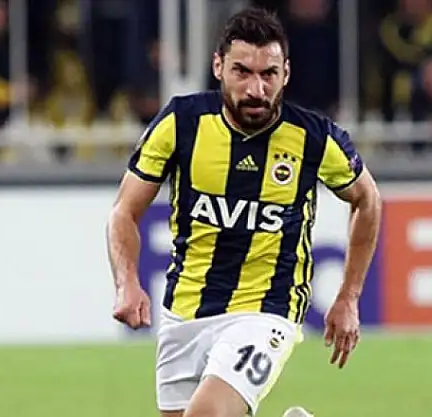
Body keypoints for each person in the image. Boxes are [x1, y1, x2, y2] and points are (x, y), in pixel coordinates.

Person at [107, 8, 381, 417]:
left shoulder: (313, 137)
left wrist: (349, 296)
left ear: (286, 74)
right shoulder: (181, 123)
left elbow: (367, 199)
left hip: (266, 310)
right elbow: (124, 211)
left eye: (269, 74)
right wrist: (126, 282)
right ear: (218, 66)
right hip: (183, 312)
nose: (256, 89)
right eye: (242, 72)